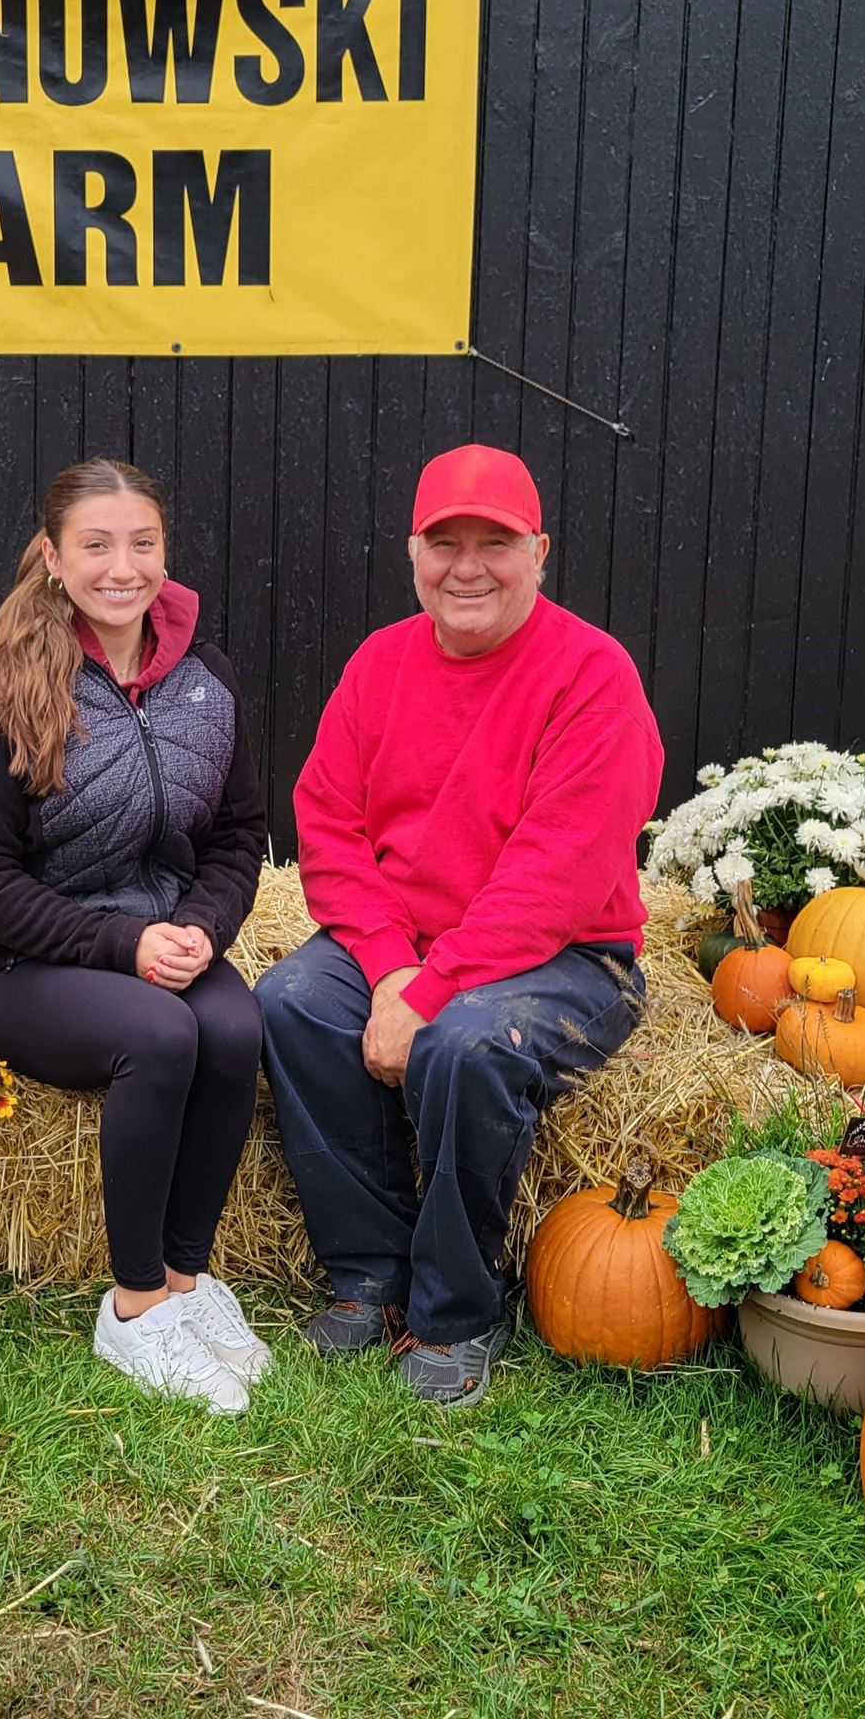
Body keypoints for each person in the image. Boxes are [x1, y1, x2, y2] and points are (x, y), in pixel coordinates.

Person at [256, 444, 665, 1407]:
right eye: (447, 542)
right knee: (292, 1003)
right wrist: (395, 968)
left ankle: (456, 1311)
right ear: (413, 553)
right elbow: (329, 822)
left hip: (567, 955)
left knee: (466, 1044)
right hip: (417, 945)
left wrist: (429, 992)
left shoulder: (593, 676)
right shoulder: (380, 663)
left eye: (497, 542)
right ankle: (369, 1272)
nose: (468, 566)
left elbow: (553, 880)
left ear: (540, 552)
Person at [0, 459, 271, 1413]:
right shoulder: (4, 691)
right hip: (23, 963)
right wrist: (125, 947)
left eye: (142, 542)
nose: (122, 566)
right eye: (96, 544)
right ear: (52, 558)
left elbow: (241, 835)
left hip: (162, 934)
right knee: (160, 1035)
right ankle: (132, 1309)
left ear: (165, 551)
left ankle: (188, 1283)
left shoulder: (207, 678)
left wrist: (202, 926)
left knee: (238, 1029)